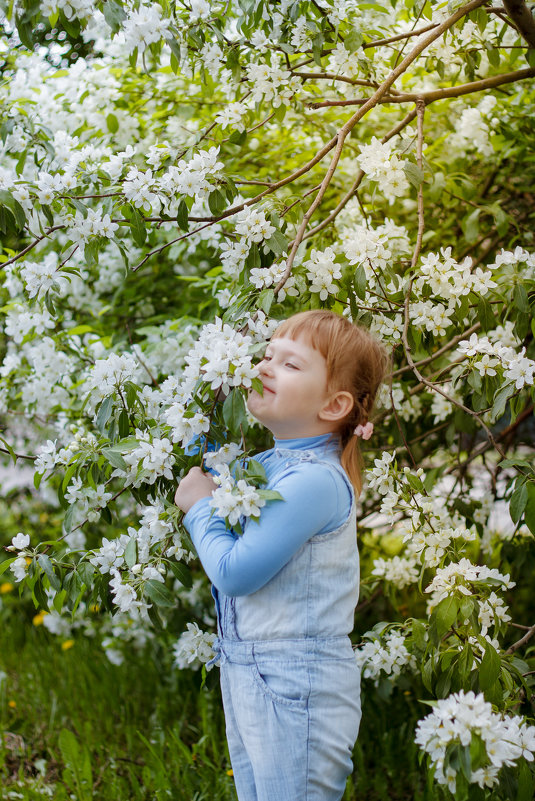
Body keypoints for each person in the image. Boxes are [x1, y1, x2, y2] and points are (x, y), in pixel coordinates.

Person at [174, 309, 389, 801]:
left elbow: (235, 572)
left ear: (334, 405)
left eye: (291, 365)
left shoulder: (314, 480)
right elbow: (217, 473)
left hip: (297, 683)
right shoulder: (268, 465)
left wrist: (199, 509)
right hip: (250, 671)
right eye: (267, 354)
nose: (265, 366)